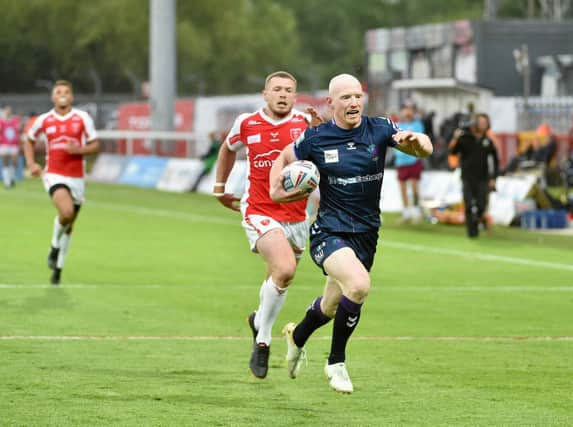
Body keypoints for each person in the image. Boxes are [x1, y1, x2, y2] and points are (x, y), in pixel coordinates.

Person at [269, 73, 432, 393]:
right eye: (345, 98)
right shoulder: (315, 139)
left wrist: (421, 145)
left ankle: (296, 336)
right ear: (331, 104)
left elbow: (416, 146)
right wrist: (277, 190)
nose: (354, 102)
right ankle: (336, 363)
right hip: (329, 231)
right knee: (358, 286)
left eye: (357, 96)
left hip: (367, 234)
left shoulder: (380, 127)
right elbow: (283, 158)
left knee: (330, 307)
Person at [212, 71, 320, 379]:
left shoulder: (304, 124)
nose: (283, 94)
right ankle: (263, 340)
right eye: (277, 89)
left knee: (279, 278)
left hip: (297, 216)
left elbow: (325, 158)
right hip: (258, 209)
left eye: (288, 90)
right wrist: (220, 187)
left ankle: (258, 319)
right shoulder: (247, 123)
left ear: (295, 97)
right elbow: (227, 149)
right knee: (284, 268)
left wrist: (322, 130)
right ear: (265, 94)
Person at [24, 80, 100, 285]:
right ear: (53, 97)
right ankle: (54, 246)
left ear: (72, 97)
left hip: (77, 177)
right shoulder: (44, 120)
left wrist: (79, 150)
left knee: (69, 224)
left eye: (66, 91)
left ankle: (58, 267)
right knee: (66, 212)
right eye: (59, 92)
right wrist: (31, 164)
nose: (63, 94)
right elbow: (29, 140)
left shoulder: (82, 118)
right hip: (54, 174)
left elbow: (95, 145)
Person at [449, 113, 499, 238]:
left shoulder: (488, 141)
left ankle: (479, 220)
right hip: (467, 177)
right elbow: (453, 152)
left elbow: (495, 160)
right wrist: (455, 138)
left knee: (482, 204)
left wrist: (493, 177)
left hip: (483, 177)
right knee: (469, 203)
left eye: (485, 123)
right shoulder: (465, 138)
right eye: (480, 122)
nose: (482, 125)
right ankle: (472, 232)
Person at [394, 104, 425, 223]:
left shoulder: (418, 124)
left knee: (414, 187)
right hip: (401, 161)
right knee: (402, 188)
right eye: (406, 110)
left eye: (410, 110)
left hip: (413, 160)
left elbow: (416, 140)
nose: (407, 112)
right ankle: (406, 213)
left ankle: (416, 211)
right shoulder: (398, 125)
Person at [0, 106, 22, 188]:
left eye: (9, 110)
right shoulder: (1, 121)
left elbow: (19, 129)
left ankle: (12, 177)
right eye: (7, 110)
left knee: (14, 162)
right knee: (5, 162)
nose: (8, 112)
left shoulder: (15, 121)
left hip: (13, 144)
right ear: (5, 111)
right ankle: (7, 182)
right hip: (4, 144)